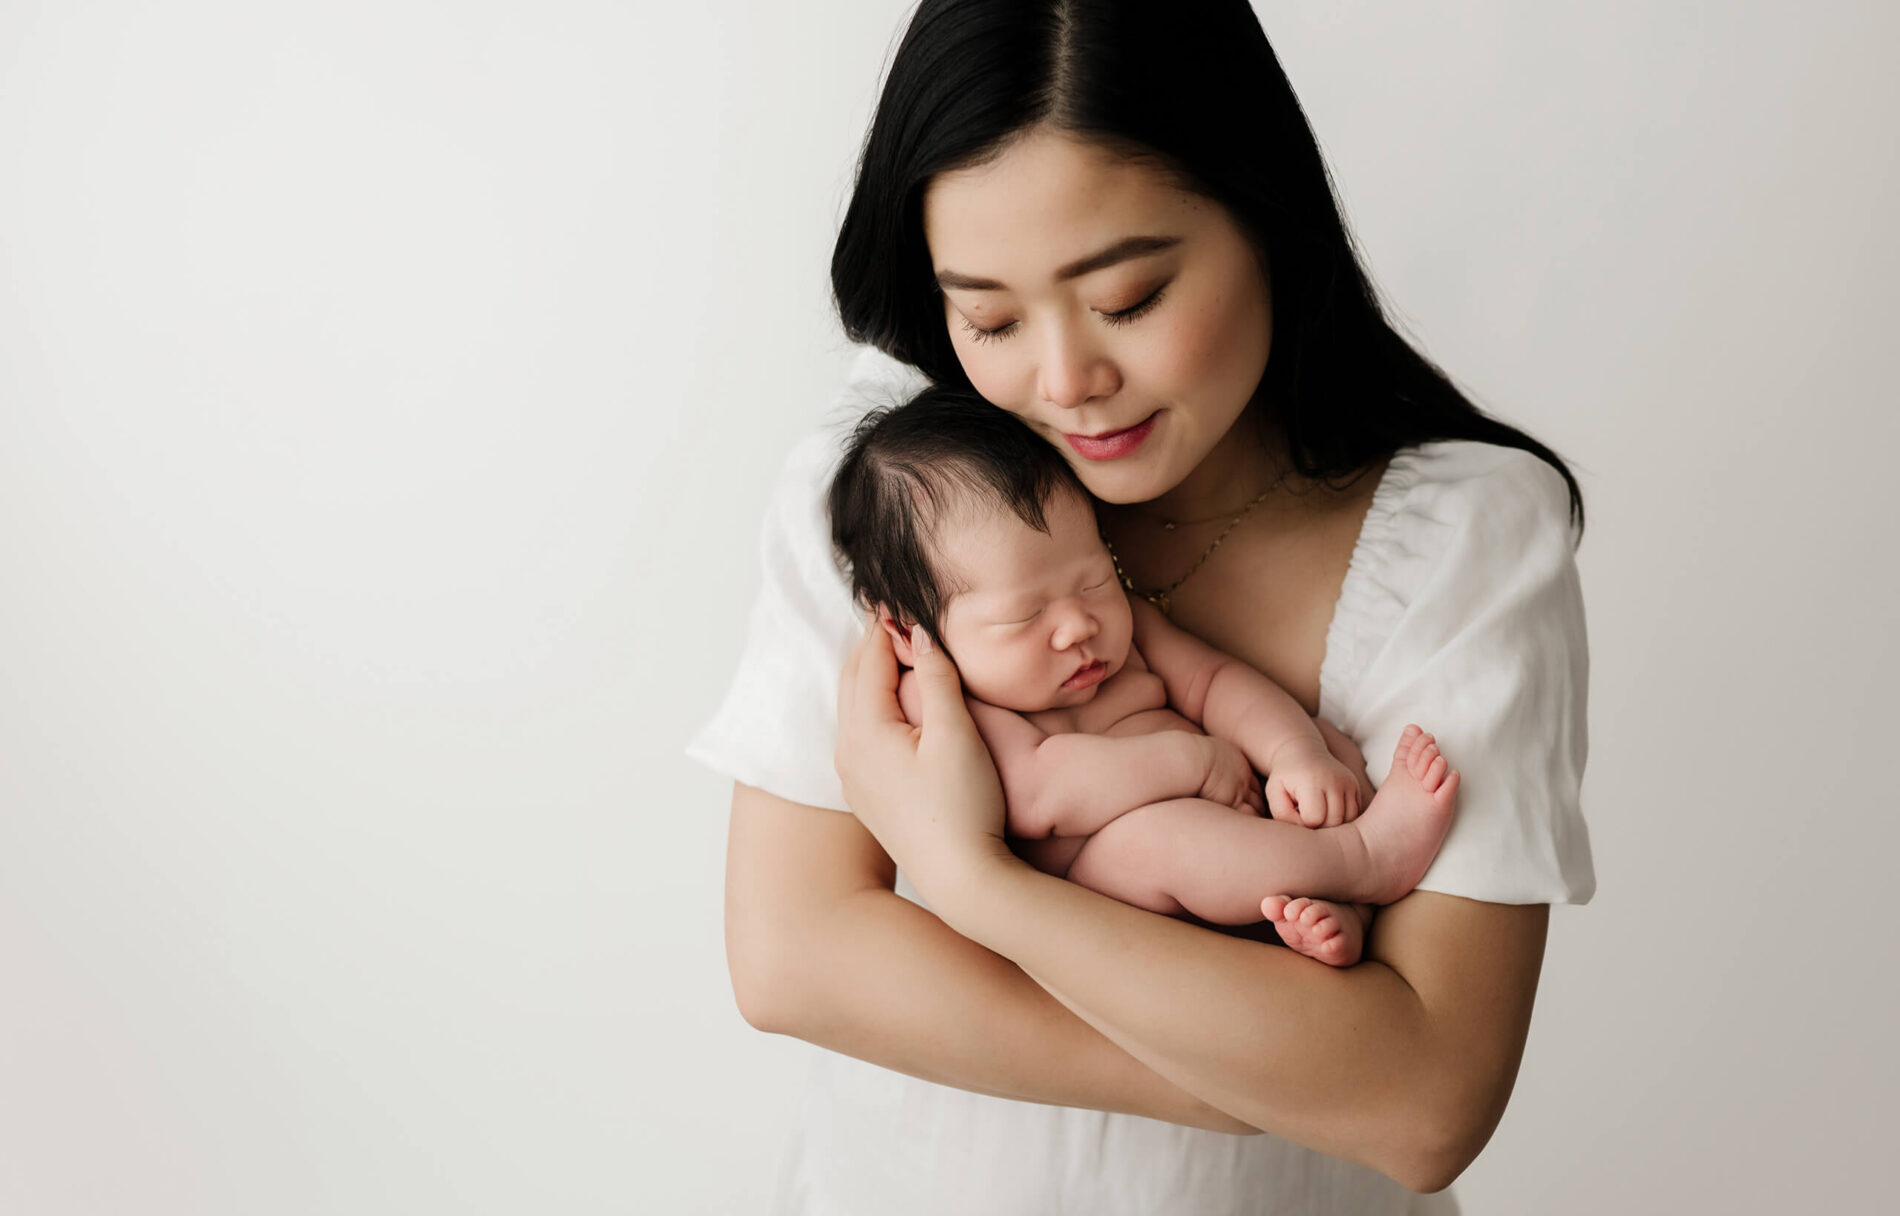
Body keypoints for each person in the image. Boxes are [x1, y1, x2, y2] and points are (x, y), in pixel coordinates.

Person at [690, 1, 1593, 1211]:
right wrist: (1292, 1070)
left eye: (1127, 298)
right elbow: (791, 958)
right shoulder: (896, 493)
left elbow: (1427, 1106)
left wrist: (972, 883)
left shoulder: (1467, 537)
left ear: (1262, 219)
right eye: (992, 318)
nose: (1063, 382)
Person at [827, 387, 1463, 964]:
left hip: (1240, 825)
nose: (1077, 625)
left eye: (1093, 578)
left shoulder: (1120, 628)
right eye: (1024, 615)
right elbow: (1039, 796)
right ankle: (1366, 861)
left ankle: (1333, 903)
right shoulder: (945, 704)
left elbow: (1213, 682)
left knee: (1324, 738)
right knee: (1158, 839)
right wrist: (1196, 765)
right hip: (1117, 886)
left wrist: (1295, 755)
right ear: (912, 632)